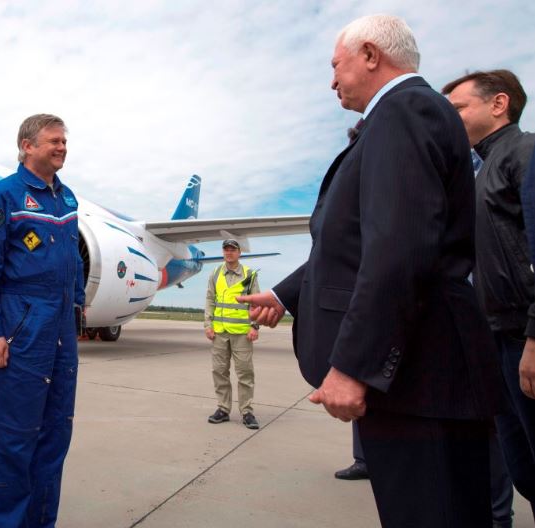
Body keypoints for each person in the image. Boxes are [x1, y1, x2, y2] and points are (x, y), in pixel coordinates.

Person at [239, 15, 502, 527]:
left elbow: (399, 250)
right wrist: (288, 293)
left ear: (369, 54)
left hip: (420, 378)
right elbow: (357, 242)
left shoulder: (404, 112)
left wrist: (356, 365)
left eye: (336, 66)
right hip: (420, 373)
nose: (332, 81)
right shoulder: (405, 116)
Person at [0, 113, 85, 527]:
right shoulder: (4, 196)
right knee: (12, 440)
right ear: (27, 145)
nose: (62, 148)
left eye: (64, 142)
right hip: (22, 331)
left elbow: (72, 257)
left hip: (60, 332)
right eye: (54, 141)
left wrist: (77, 303)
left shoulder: (68, 199)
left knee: (55, 435)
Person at [443, 69, 535, 523]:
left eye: (458, 107)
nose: (450, 117)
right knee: (524, 469)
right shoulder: (480, 171)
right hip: (498, 340)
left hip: (525, 339)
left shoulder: (526, 153)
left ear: (498, 104)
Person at [204, 239, 260, 429]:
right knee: (219, 371)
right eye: (226, 249)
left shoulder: (249, 274)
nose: (229, 253)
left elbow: (256, 303)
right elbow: (210, 299)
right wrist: (207, 324)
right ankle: (223, 409)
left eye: (233, 250)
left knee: (245, 372)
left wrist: (255, 326)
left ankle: (247, 412)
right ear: (223, 252)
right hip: (219, 332)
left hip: (241, 333)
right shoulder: (215, 273)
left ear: (239, 253)